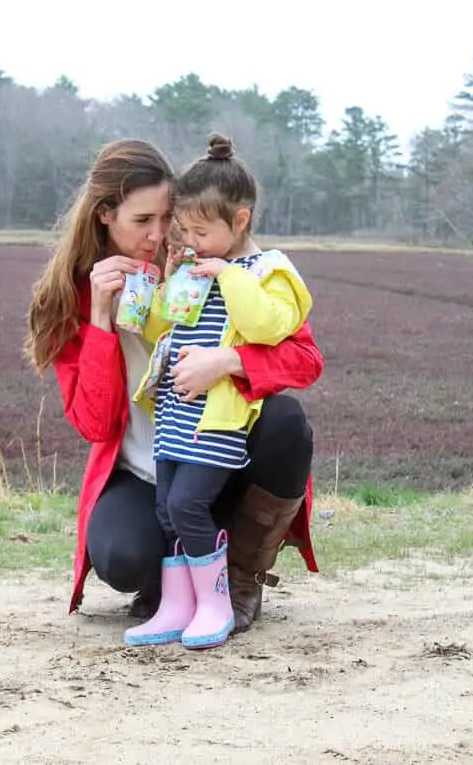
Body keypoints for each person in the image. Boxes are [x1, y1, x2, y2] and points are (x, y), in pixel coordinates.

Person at [25, 138, 323, 635]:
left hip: (220, 454)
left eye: (169, 218)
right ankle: (174, 584)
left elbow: (306, 358)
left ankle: (241, 576)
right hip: (147, 468)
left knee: (287, 423)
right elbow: (94, 423)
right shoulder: (73, 295)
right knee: (123, 557)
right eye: (143, 221)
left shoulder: (208, 264)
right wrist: (101, 318)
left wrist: (229, 361)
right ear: (104, 215)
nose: (160, 234)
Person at [123, 134, 314, 649]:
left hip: (219, 420)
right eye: (184, 231)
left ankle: (216, 602)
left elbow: (266, 326)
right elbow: (161, 326)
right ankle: (177, 604)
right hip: (175, 415)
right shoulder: (193, 268)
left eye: (201, 232)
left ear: (241, 221)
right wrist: (163, 284)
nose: (192, 242)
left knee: (187, 505)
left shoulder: (268, 272)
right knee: (167, 509)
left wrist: (228, 276)